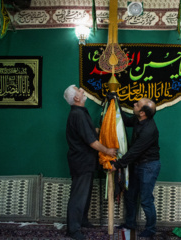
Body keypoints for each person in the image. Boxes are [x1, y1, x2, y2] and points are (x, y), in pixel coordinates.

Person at [63, 85, 117, 240]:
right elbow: (92, 142)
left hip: (84, 161)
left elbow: (86, 134)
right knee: (79, 195)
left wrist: (96, 131)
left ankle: (82, 220)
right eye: (79, 90)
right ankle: (73, 229)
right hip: (81, 161)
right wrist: (108, 151)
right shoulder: (78, 115)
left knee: (84, 194)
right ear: (76, 98)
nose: (82, 90)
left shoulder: (79, 113)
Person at [111, 97, 161, 238]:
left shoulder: (149, 130)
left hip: (149, 167)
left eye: (137, 104)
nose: (134, 104)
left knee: (145, 200)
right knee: (130, 195)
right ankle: (130, 223)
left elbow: (134, 152)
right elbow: (125, 121)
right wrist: (116, 102)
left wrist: (117, 165)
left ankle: (150, 230)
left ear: (142, 113)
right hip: (137, 165)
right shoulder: (137, 119)